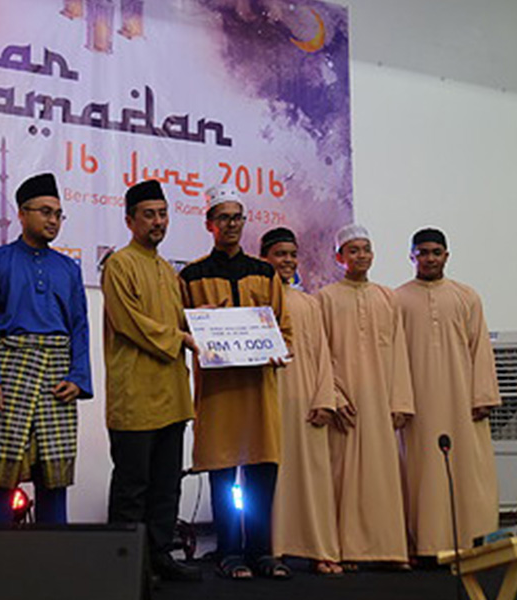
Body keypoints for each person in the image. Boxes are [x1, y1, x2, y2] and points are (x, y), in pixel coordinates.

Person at [0, 172, 92, 523]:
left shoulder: (68, 269)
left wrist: (78, 377)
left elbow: (79, 327)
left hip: (57, 375)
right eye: (45, 212)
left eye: (58, 214)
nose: (53, 220)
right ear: (21, 214)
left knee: (53, 476)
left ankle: (52, 552)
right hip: (8, 372)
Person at [178, 185, 292, 580]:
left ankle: (262, 551)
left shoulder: (264, 273)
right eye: (223, 218)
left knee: (262, 469)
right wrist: (197, 321)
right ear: (209, 223)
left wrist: (279, 349)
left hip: (259, 387)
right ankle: (229, 551)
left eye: (237, 217)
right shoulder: (191, 276)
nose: (231, 224)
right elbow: (180, 328)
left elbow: (284, 328)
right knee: (223, 470)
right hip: (218, 391)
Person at [102, 179, 202, 581]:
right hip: (135, 395)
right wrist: (181, 337)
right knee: (133, 487)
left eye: (163, 214)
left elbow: (179, 321)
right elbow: (130, 323)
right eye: (149, 215)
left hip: (172, 395)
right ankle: (125, 566)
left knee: (166, 485)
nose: (158, 222)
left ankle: (159, 556)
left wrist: (207, 325)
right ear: (130, 220)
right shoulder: (119, 264)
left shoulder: (167, 269)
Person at [396, 228, 501, 558]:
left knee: (468, 468)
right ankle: (426, 544)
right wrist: (399, 400)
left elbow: (480, 347)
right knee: (422, 471)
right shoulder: (397, 300)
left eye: (436, 252)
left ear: (446, 256)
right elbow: (393, 355)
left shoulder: (467, 296)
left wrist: (483, 395)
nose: (429, 259)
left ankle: (473, 542)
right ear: (411, 256)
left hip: (462, 400)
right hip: (418, 402)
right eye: (422, 252)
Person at [316, 224, 414, 569]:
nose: (361, 256)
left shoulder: (388, 297)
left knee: (384, 475)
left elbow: (399, 350)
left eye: (366, 249)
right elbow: (319, 353)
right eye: (353, 250)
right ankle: (348, 551)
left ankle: (390, 550)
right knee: (343, 476)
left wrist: (401, 401)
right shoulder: (325, 298)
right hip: (346, 402)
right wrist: (332, 396)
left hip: (380, 401)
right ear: (339, 257)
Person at [260, 228, 343, 576]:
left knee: (314, 479)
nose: (288, 260)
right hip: (269, 400)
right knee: (272, 479)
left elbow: (323, 354)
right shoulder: (256, 302)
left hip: (307, 400)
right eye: (280, 254)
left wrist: (325, 399)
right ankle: (272, 550)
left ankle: (319, 550)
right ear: (265, 259)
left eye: (292, 254)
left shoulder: (309, 303)